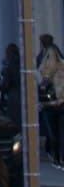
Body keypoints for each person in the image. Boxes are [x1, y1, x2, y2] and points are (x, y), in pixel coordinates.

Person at [37, 33, 64, 165]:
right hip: (60, 101)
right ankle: (59, 157)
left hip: (51, 102)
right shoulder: (60, 57)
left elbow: (44, 78)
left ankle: (56, 157)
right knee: (60, 132)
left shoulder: (45, 57)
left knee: (53, 132)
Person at [0, 44, 22, 132]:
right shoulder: (22, 63)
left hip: (13, 97)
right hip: (23, 95)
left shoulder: (9, 65)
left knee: (14, 123)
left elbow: (5, 85)